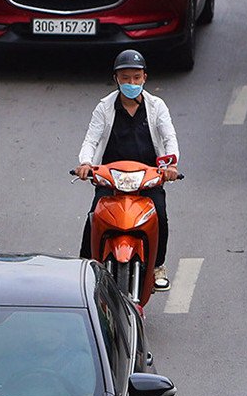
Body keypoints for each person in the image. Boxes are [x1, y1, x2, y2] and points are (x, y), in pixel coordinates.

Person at [73, 50, 180, 290]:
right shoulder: (104, 107)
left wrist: (171, 166)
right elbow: (91, 139)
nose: (130, 83)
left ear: (144, 78)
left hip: (148, 180)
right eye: (125, 78)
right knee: (94, 217)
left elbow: (169, 137)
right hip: (111, 180)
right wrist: (86, 163)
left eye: (135, 77)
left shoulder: (157, 106)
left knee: (159, 216)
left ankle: (157, 266)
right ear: (116, 79)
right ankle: (85, 266)